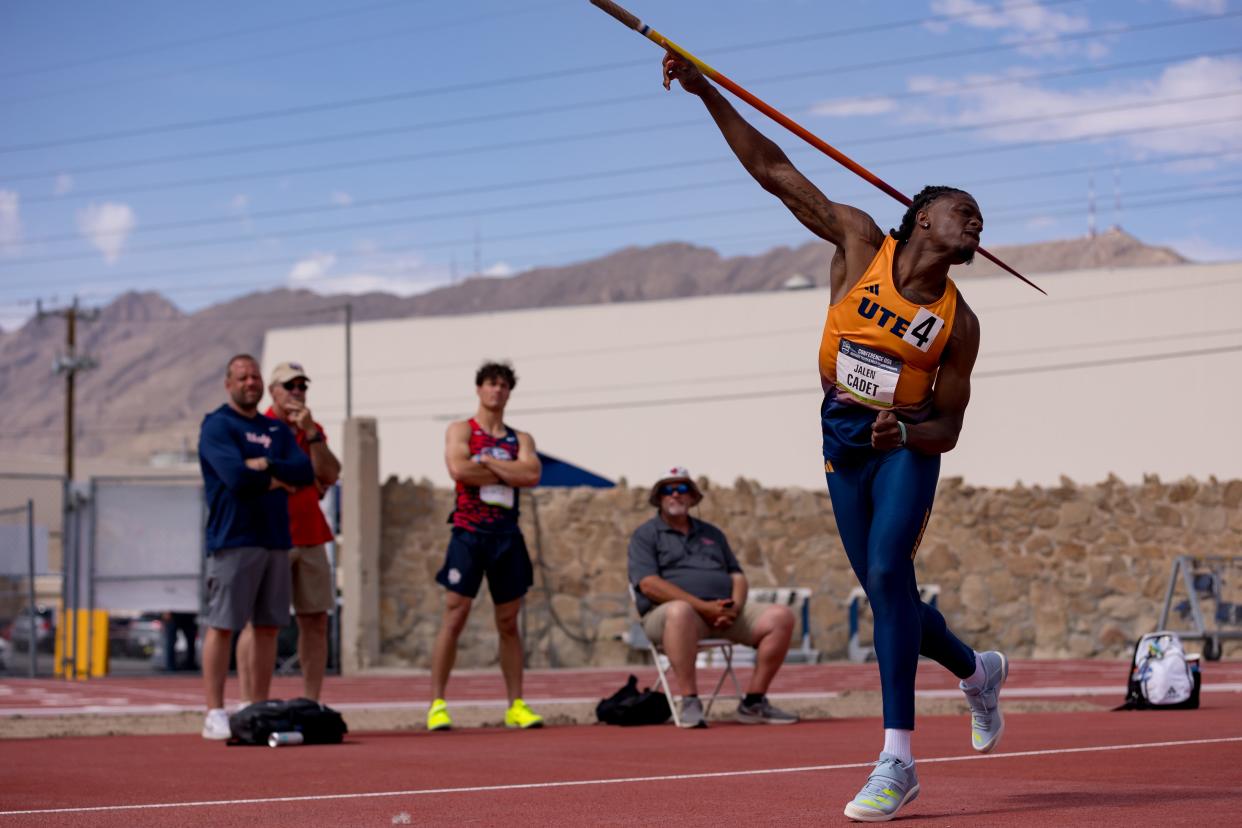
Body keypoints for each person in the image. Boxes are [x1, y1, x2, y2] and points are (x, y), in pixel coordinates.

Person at [662, 53, 1008, 820]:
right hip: (841, 437)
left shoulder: (960, 325)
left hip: (902, 451)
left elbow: (948, 427)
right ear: (923, 217)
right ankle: (977, 670)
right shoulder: (857, 244)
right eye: (965, 211)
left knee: (889, 570)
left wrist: (909, 429)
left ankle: (897, 759)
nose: (978, 223)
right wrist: (705, 90)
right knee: (890, 598)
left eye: (983, 220)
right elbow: (773, 170)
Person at [628, 466, 799, 729]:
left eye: (682, 488)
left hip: (722, 612)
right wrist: (704, 608)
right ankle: (690, 701)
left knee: (781, 616)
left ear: (693, 496)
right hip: (669, 617)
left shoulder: (712, 533)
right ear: (658, 497)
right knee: (679, 611)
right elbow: (649, 585)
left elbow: (737, 576)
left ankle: (753, 701)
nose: (675, 494)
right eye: (668, 489)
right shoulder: (645, 534)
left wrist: (733, 607)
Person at [197, 354, 313, 740]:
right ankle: (214, 711)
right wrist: (271, 474)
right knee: (223, 625)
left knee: (267, 627)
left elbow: (303, 472)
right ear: (229, 383)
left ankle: (254, 706)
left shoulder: (276, 430)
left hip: (275, 539)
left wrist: (264, 465)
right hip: (233, 540)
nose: (251, 382)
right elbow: (235, 478)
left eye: (256, 376)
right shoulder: (218, 426)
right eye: (243, 377)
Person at [426, 361, 544, 732]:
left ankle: (516, 705)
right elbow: (459, 470)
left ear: (509, 392)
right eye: (491, 384)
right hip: (468, 532)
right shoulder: (462, 429)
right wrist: (508, 472)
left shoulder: (520, 439)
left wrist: (489, 462)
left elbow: (533, 474)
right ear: (479, 389)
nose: (497, 391)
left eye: (503, 385)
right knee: (455, 615)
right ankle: (437, 704)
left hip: (506, 536)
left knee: (509, 622)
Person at [237, 361, 341, 703]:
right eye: (289, 386)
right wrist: (295, 477)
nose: (296, 393)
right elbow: (252, 476)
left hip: (310, 534)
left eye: (302, 386)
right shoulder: (258, 427)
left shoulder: (312, 429)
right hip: (270, 536)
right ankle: (251, 702)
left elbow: (329, 473)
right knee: (261, 623)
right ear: (273, 391)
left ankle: (311, 701)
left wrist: (311, 434)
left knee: (316, 621)